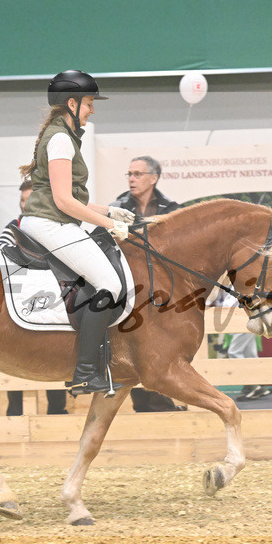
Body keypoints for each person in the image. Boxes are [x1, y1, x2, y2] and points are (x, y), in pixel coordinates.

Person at [18, 70, 134, 395]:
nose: (92, 110)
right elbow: (63, 201)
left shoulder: (62, 136)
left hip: (49, 219)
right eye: (89, 103)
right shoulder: (59, 139)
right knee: (110, 284)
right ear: (72, 102)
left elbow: (70, 197)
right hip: (49, 222)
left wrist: (109, 211)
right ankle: (84, 372)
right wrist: (110, 225)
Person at [110, 155, 185, 411]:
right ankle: (149, 404)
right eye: (129, 174)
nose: (131, 178)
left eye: (137, 174)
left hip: (163, 294)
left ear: (153, 178)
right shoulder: (116, 207)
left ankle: (159, 402)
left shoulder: (172, 210)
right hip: (129, 290)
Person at [0, 179, 68, 415]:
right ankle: (14, 415)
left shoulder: (56, 226)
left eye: (30, 200)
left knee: (55, 350)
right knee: (14, 353)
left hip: (51, 299)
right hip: (22, 298)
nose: (25, 206)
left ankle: (57, 413)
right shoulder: (13, 226)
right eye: (22, 201)